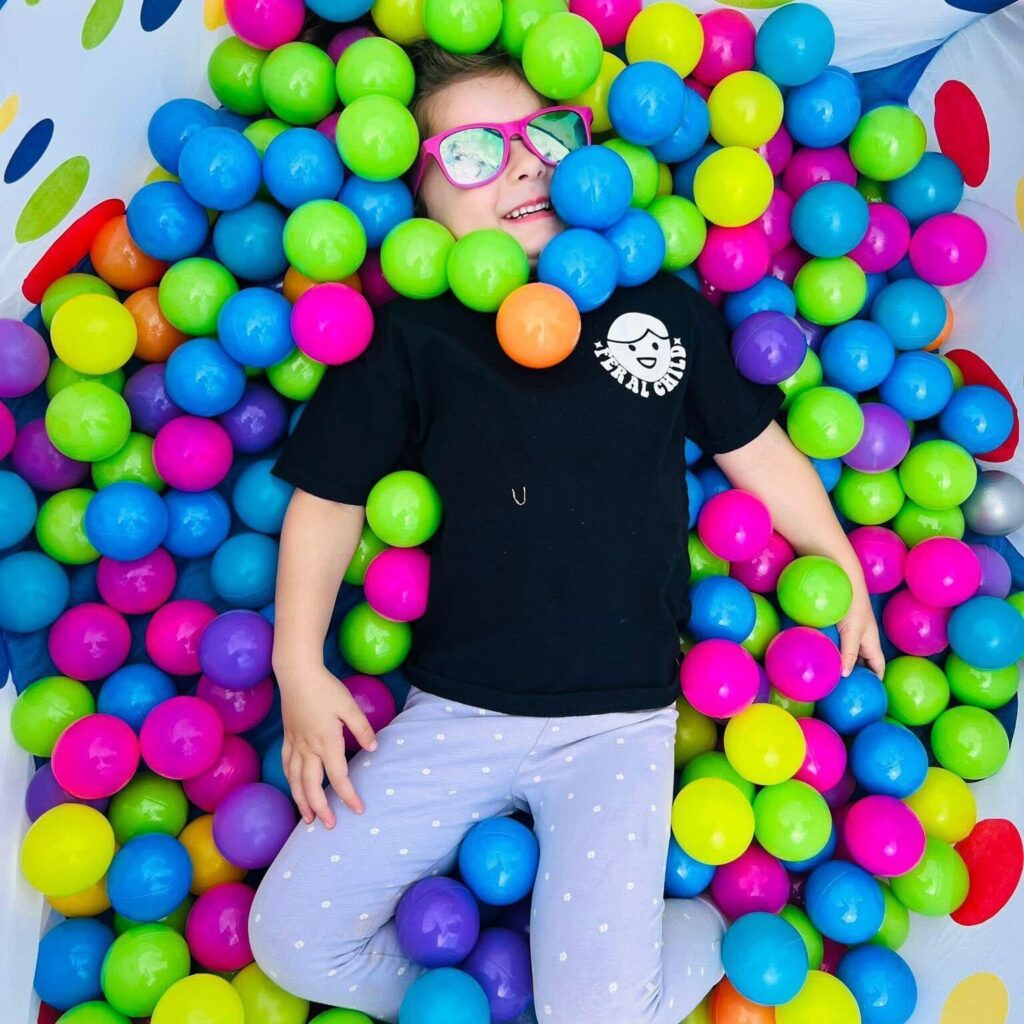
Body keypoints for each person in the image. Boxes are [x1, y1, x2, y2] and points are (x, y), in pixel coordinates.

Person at [249, 39, 884, 1024]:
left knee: (598, 1012)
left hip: (614, 725)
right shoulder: (416, 335)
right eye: (472, 153)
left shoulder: (656, 306)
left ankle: (702, 931)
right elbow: (329, 498)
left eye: (545, 135)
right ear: (416, 201)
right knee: (288, 938)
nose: (520, 164)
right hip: (457, 711)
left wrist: (839, 560)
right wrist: (297, 663)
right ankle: (487, 1001)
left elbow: (754, 449)